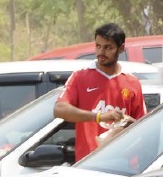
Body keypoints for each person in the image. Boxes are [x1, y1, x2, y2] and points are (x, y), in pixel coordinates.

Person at [54, 23, 146, 161]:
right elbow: (59, 109)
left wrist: (127, 121)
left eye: (108, 47)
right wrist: (99, 117)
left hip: (123, 165)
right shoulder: (80, 76)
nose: (101, 52)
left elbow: (144, 127)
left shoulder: (132, 82)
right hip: (89, 162)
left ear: (121, 48)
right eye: (98, 46)